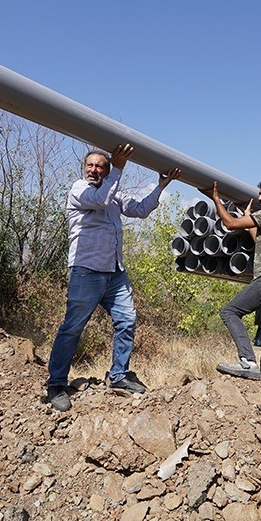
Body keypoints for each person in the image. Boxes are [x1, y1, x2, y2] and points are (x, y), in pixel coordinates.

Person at [44, 144, 181, 412]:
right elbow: (100, 200)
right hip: (87, 271)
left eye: (100, 166)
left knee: (127, 319)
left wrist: (161, 186)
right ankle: (56, 384)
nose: (94, 170)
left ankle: (118, 376)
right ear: (85, 169)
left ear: (106, 171)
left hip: (114, 272)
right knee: (72, 327)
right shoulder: (79, 190)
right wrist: (118, 166)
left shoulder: (114, 193)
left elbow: (141, 209)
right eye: (90, 166)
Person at [207, 180, 261, 381]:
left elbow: (229, 224)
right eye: (259, 194)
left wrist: (216, 199)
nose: (260, 198)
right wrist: (248, 216)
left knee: (229, 312)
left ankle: (248, 361)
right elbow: (259, 240)